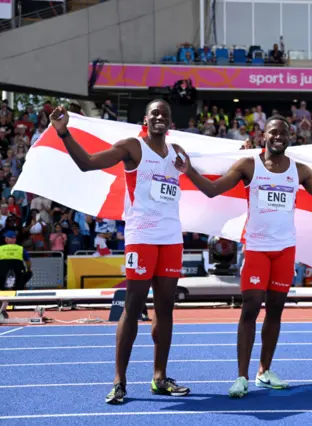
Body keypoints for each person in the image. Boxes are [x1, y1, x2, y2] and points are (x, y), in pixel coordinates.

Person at [175, 115, 312, 398]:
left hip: (285, 251)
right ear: (263, 135)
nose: (278, 137)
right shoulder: (249, 165)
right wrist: (189, 170)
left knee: (275, 311)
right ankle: (241, 376)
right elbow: (213, 190)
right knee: (250, 308)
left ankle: (265, 371)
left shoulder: (298, 171)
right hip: (257, 249)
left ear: (290, 138)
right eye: (273, 132)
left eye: (284, 134)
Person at [49, 100, 191, 404]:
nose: (159, 117)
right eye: (154, 113)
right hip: (141, 237)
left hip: (171, 238)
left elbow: (208, 165)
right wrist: (63, 133)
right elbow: (88, 162)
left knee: (165, 308)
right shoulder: (133, 148)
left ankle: (159, 377)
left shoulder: (178, 153)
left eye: (164, 113)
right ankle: (119, 381)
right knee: (133, 304)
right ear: (146, 119)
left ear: (170, 121)